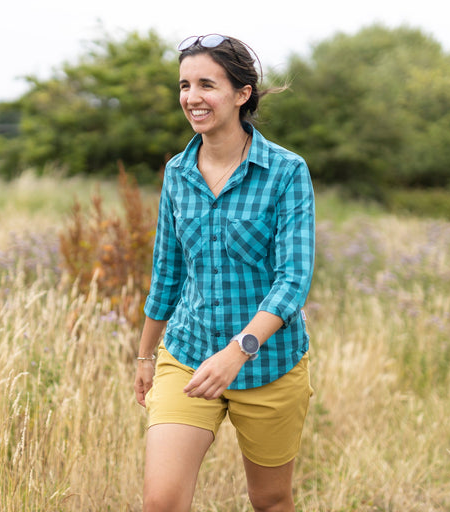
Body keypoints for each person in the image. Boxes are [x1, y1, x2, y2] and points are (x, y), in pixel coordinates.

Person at [134, 33, 315, 512]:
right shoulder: (177, 172)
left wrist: (239, 351)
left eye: (207, 85)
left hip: (270, 367)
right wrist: (145, 355)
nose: (192, 98)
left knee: (270, 500)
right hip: (188, 356)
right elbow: (167, 272)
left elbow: (292, 281)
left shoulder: (286, 172)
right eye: (184, 85)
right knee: (162, 502)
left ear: (242, 94)